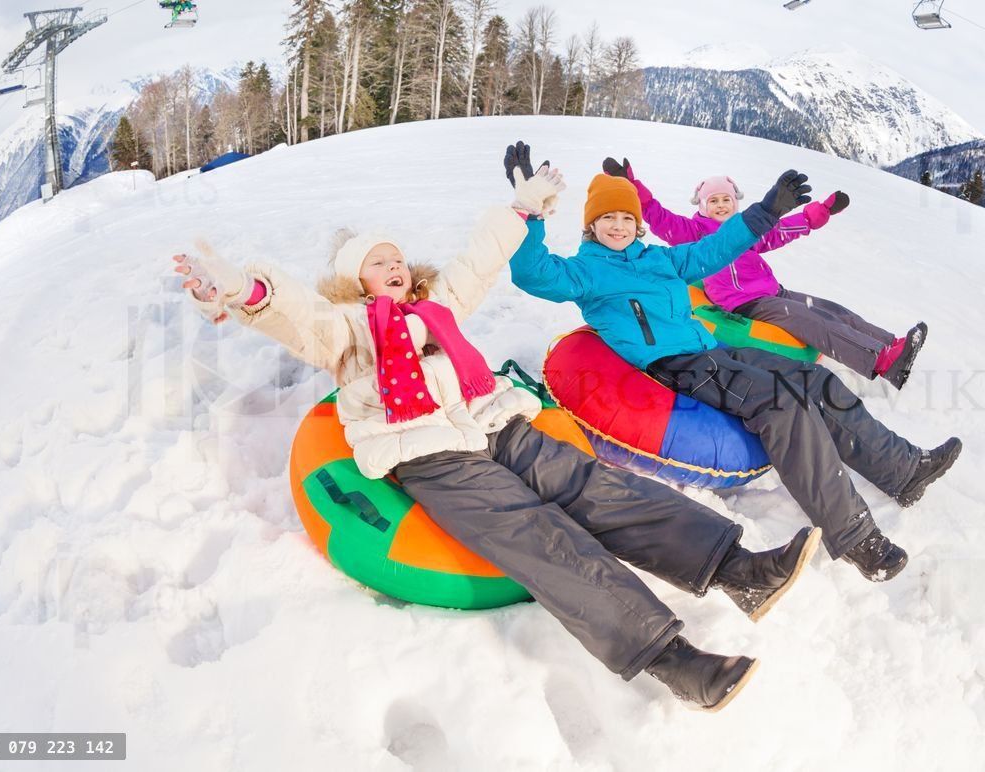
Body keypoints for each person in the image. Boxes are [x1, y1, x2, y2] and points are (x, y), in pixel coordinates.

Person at [172, 159, 820, 712]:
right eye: (378, 263)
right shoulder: (345, 329)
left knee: (601, 488)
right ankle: (673, 660)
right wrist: (239, 288)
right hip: (431, 458)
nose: (394, 266)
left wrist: (520, 208)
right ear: (354, 282)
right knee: (539, 533)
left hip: (494, 423)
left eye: (397, 257)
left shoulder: (437, 309)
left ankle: (739, 570)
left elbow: (479, 261)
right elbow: (295, 315)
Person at [507, 142, 961, 583]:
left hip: (712, 349)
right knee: (785, 407)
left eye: (628, 217)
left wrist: (766, 211)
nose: (620, 225)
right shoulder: (585, 272)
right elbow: (531, 272)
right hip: (676, 366)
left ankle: (902, 470)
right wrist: (528, 210)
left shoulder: (660, 259)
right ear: (591, 225)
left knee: (815, 381)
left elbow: (713, 250)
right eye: (609, 217)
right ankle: (857, 537)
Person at [601, 157, 926, 388]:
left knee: (833, 310)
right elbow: (659, 218)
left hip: (773, 292)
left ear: (735, 202)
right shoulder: (694, 232)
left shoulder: (746, 228)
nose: (720, 205)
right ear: (701, 205)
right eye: (712, 200)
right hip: (746, 304)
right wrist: (632, 186)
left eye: (726, 199)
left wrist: (819, 212)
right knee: (815, 323)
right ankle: (882, 362)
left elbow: (780, 229)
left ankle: (892, 343)